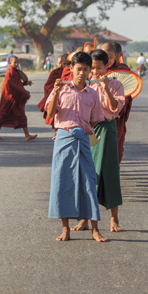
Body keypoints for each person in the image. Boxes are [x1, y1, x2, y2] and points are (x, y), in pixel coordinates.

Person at [45, 51, 108, 242]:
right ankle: (65, 229)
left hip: (83, 140)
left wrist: (84, 131)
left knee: (89, 182)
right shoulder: (61, 90)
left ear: (90, 72)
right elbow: (50, 112)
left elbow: (96, 119)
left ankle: (95, 229)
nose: (82, 73)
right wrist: (55, 92)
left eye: (86, 70)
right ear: (71, 69)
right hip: (64, 139)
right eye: (78, 69)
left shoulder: (92, 94)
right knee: (63, 182)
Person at [72, 49, 125, 233]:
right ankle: (85, 219)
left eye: (98, 68)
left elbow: (114, 108)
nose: (95, 72)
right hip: (90, 131)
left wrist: (105, 88)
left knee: (110, 173)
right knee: (88, 174)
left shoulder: (116, 85)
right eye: (91, 69)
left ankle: (113, 219)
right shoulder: (86, 87)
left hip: (108, 128)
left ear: (106, 66)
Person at [101, 43, 133, 164]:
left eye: (109, 57)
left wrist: (121, 110)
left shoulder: (123, 71)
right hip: (97, 117)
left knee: (114, 148)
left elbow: (128, 93)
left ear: (116, 56)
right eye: (104, 57)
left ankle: (112, 177)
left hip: (116, 117)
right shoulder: (95, 69)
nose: (106, 61)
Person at [0, 56, 37, 141]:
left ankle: (27, 135)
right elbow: (10, 84)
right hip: (9, 98)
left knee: (22, 115)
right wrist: (21, 90)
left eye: (17, 62)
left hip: (16, 98)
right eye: (14, 62)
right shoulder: (9, 72)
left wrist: (26, 83)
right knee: (3, 116)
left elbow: (18, 84)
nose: (16, 64)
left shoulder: (16, 72)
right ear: (10, 63)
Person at [38, 54, 68, 126]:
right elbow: (47, 86)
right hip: (56, 99)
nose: (67, 66)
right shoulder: (55, 72)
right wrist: (57, 90)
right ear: (61, 63)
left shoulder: (73, 73)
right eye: (65, 64)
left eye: (69, 64)